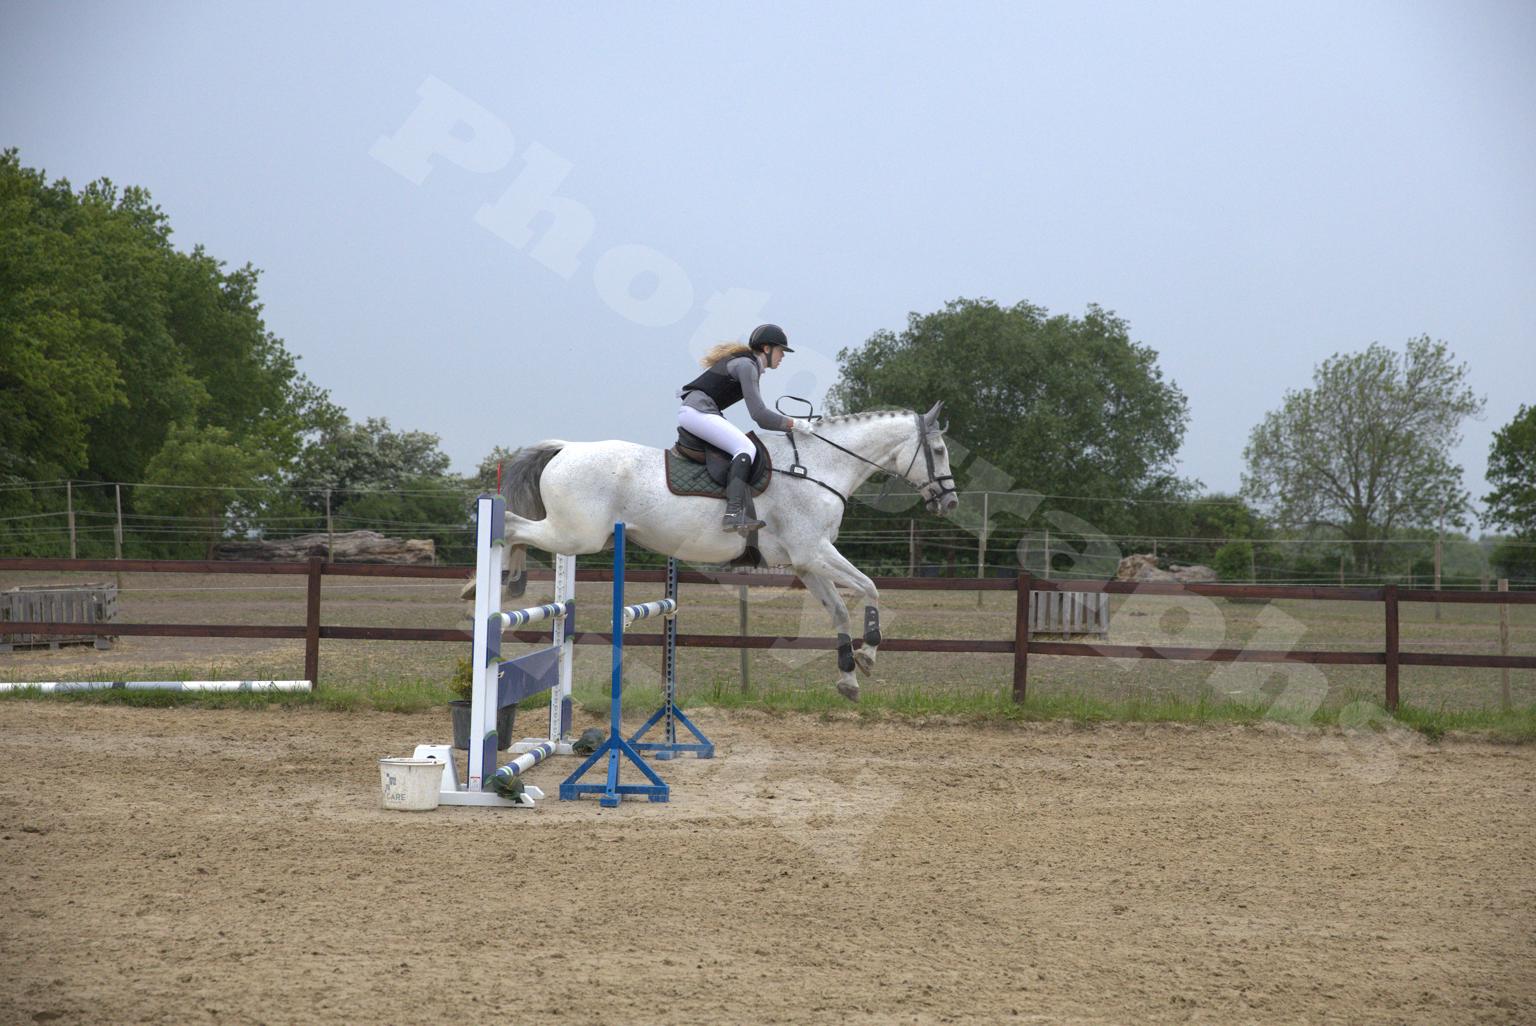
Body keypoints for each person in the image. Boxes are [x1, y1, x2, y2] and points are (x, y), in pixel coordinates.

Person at [678, 323, 799, 532]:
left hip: (698, 411)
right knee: (746, 447)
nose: (783, 356)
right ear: (767, 349)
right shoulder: (747, 366)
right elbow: (760, 415)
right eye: (781, 350)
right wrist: (795, 424)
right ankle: (733, 513)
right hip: (698, 411)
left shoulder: (748, 364)